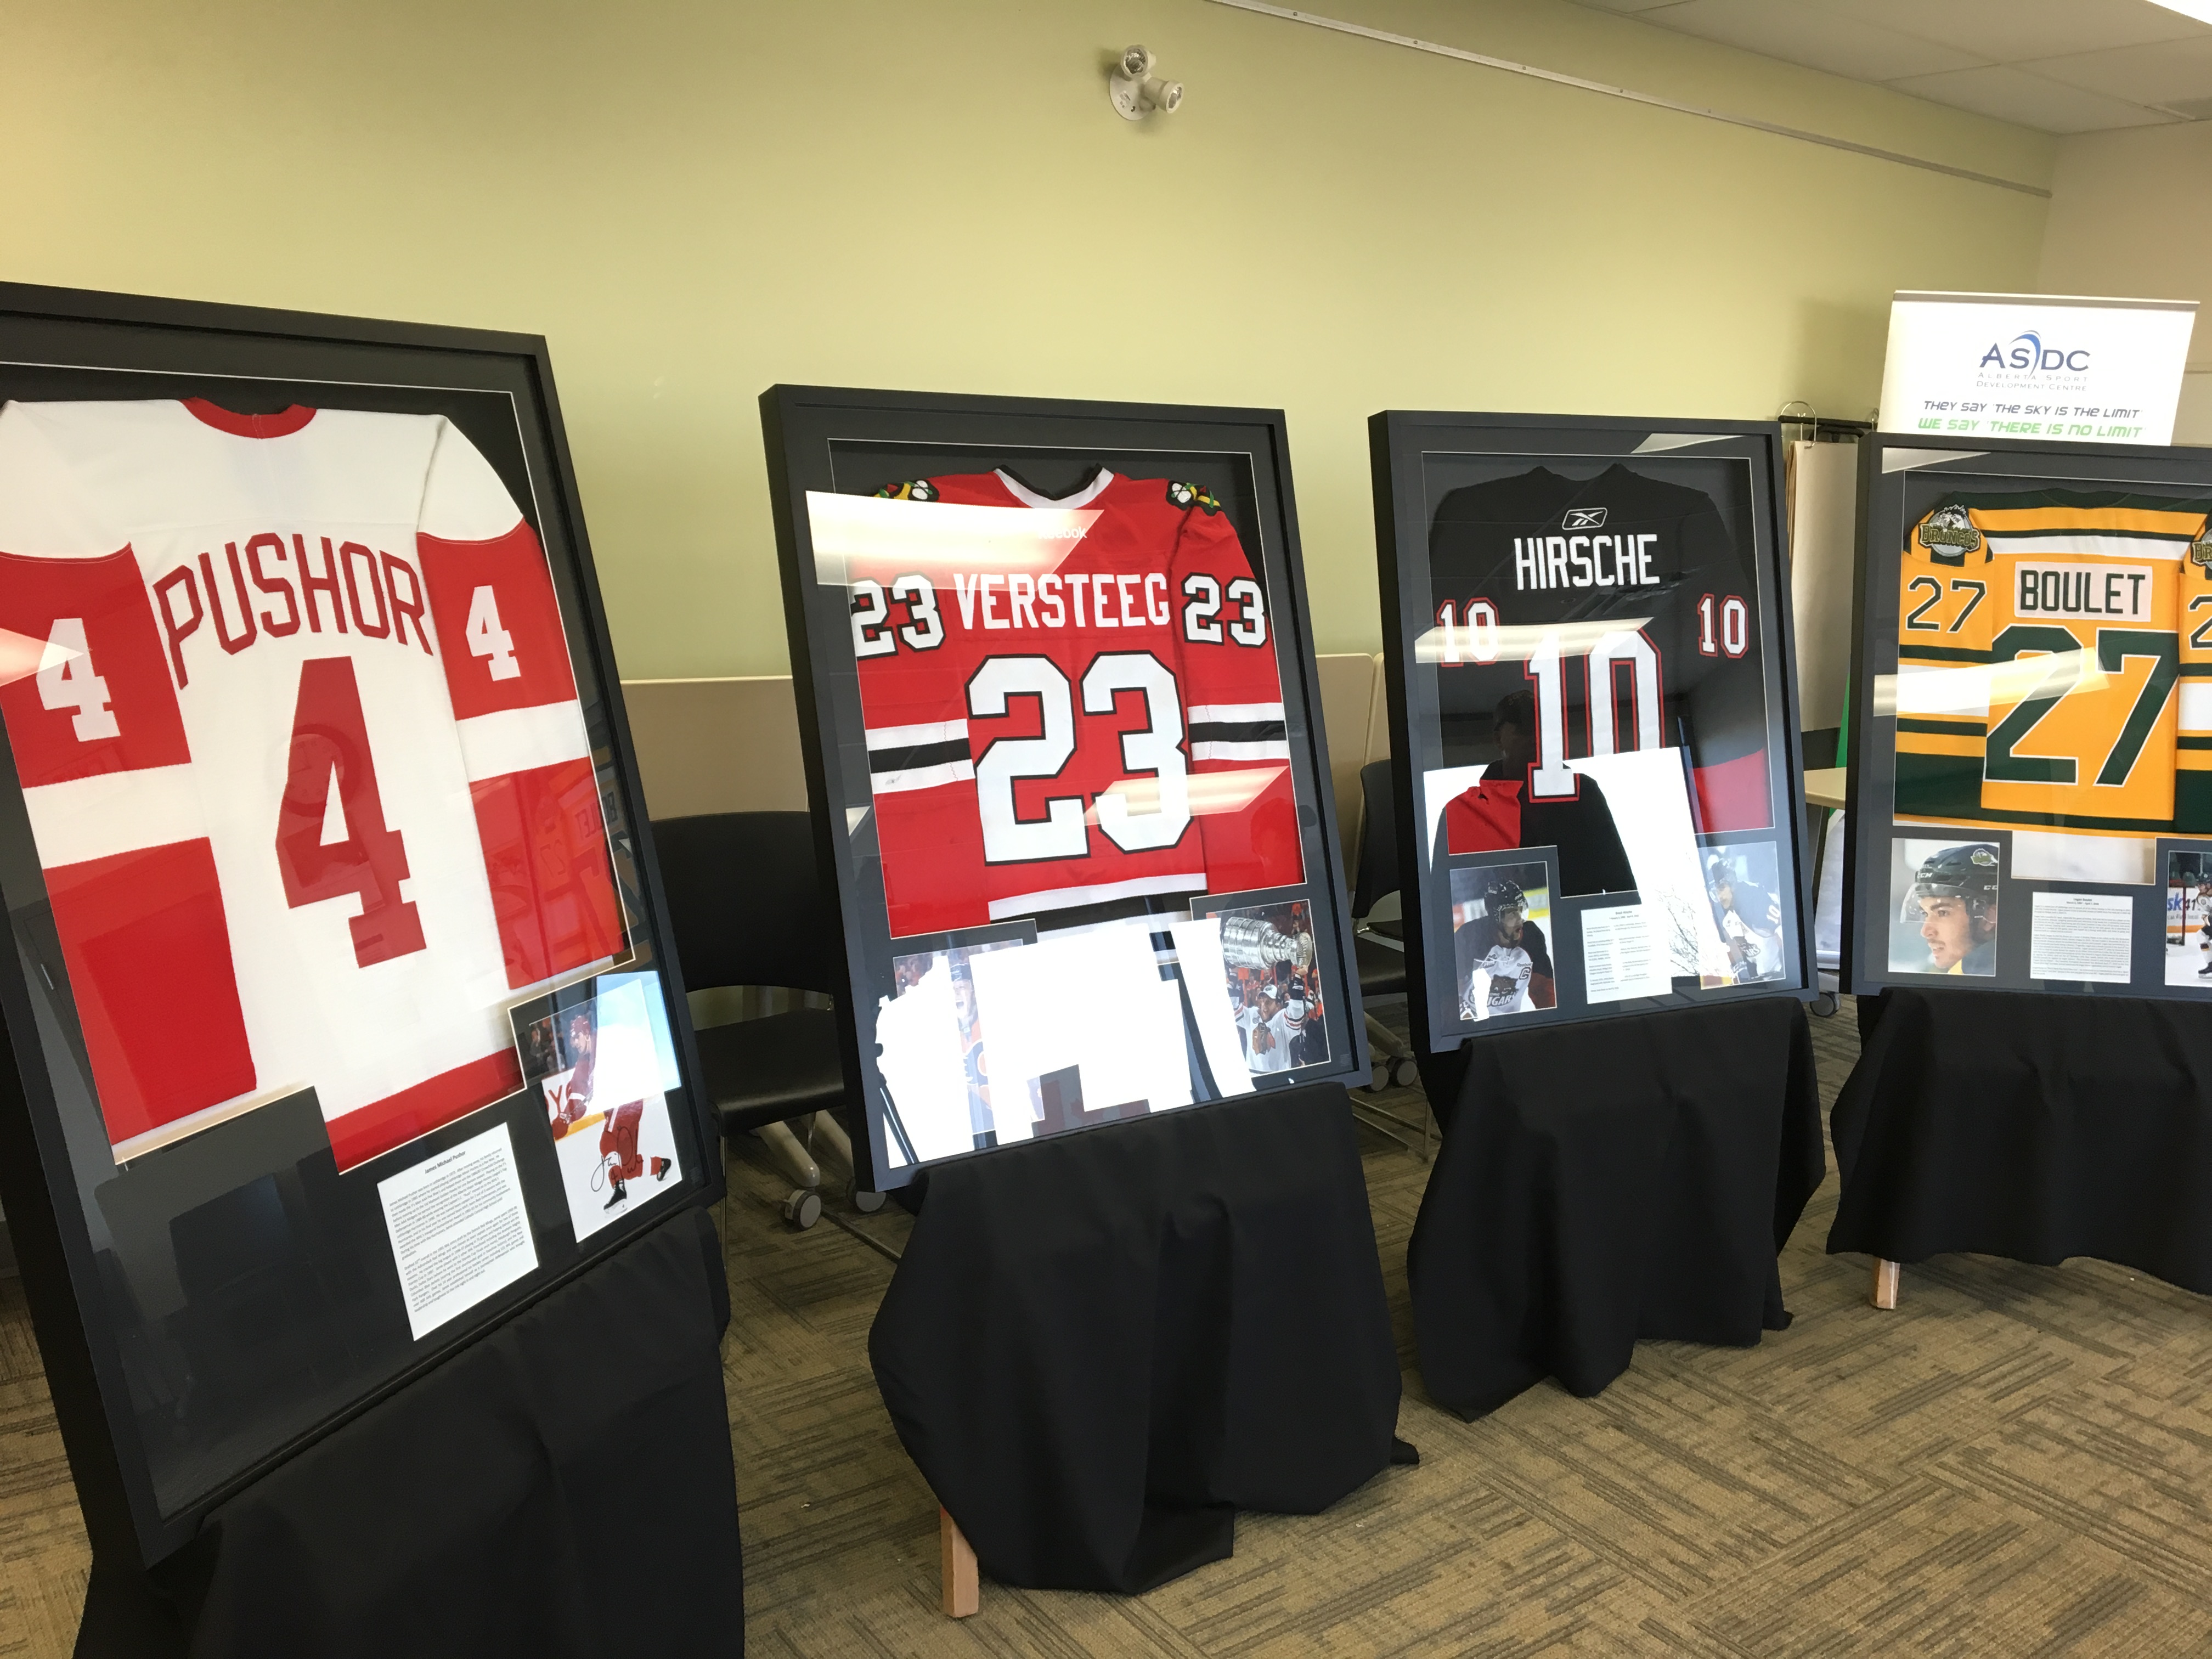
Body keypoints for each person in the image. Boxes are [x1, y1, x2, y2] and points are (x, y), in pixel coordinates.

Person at [1437, 690, 1634, 895]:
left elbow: (1621, 883)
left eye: (1544, 728)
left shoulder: (1583, 792)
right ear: (1498, 739)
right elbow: (1442, 897)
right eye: (1525, 729)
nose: (1536, 737)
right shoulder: (1462, 812)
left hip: (1575, 917)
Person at [1454, 877, 1555, 1019]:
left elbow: (1544, 989)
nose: (1520, 919)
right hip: (1473, 1023)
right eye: (1512, 913)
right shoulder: (1470, 937)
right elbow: (1449, 989)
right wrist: (1463, 1019)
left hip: (1508, 1025)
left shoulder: (1532, 938)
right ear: (1496, 916)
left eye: (1521, 910)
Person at [1912, 843, 1999, 976]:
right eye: (1925, 913)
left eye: (1943, 913)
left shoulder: (1981, 976)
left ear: (1989, 917)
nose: (1926, 932)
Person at [1708, 856, 1785, 983]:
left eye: (1721, 888)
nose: (1719, 896)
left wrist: (1787, 973)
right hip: (1760, 975)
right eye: (1715, 892)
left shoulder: (1755, 897)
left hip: (1779, 970)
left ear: (1732, 883)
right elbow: (1731, 946)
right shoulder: (1720, 912)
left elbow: (1782, 932)